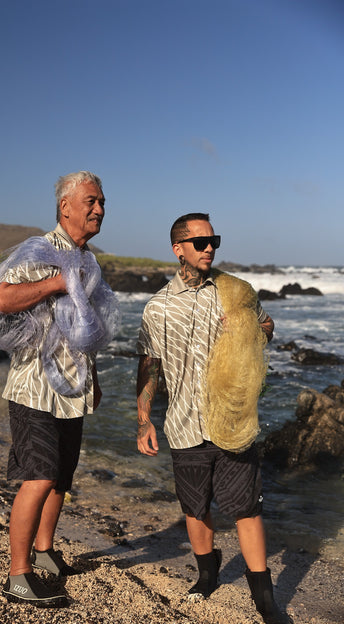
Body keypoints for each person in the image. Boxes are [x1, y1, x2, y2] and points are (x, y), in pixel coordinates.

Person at [136, 213, 291, 624]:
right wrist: (143, 419)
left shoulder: (234, 292)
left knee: (246, 508)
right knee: (195, 507)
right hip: (184, 423)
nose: (210, 248)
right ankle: (207, 576)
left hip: (234, 422)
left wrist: (246, 329)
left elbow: (268, 326)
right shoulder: (157, 308)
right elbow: (149, 365)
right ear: (178, 249)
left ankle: (265, 596)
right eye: (201, 241)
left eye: (214, 240)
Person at [0, 171, 112, 607]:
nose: (99, 209)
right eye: (91, 201)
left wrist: (93, 379)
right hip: (34, 387)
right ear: (66, 206)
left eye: (102, 202)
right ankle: (17, 575)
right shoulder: (39, 250)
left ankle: (43, 552)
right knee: (39, 476)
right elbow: (0, 299)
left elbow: (88, 328)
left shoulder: (91, 261)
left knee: (61, 477)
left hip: (74, 387)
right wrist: (57, 283)